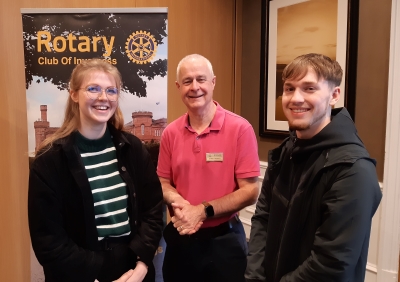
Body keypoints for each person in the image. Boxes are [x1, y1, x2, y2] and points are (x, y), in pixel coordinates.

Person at [245, 53, 382, 282]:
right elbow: (262, 218)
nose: (295, 98)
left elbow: (331, 263)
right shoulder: (285, 152)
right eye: (289, 89)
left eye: (309, 88)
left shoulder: (353, 170)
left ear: (334, 95)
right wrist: (255, 276)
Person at [28, 59, 163, 282]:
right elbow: (48, 239)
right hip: (78, 273)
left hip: (132, 271)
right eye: (93, 89)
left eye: (111, 90)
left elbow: (153, 209)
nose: (103, 98)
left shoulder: (133, 149)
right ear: (73, 94)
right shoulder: (49, 160)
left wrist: (141, 266)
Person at [157, 54, 260, 282]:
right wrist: (178, 201)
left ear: (213, 82)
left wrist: (202, 211)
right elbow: (163, 182)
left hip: (225, 241)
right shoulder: (170, 133)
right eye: (187, 81)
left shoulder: (240, 129)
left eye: (201, 79)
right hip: (181, 240)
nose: (195, 87)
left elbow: (250, 191)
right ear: (178, 87)